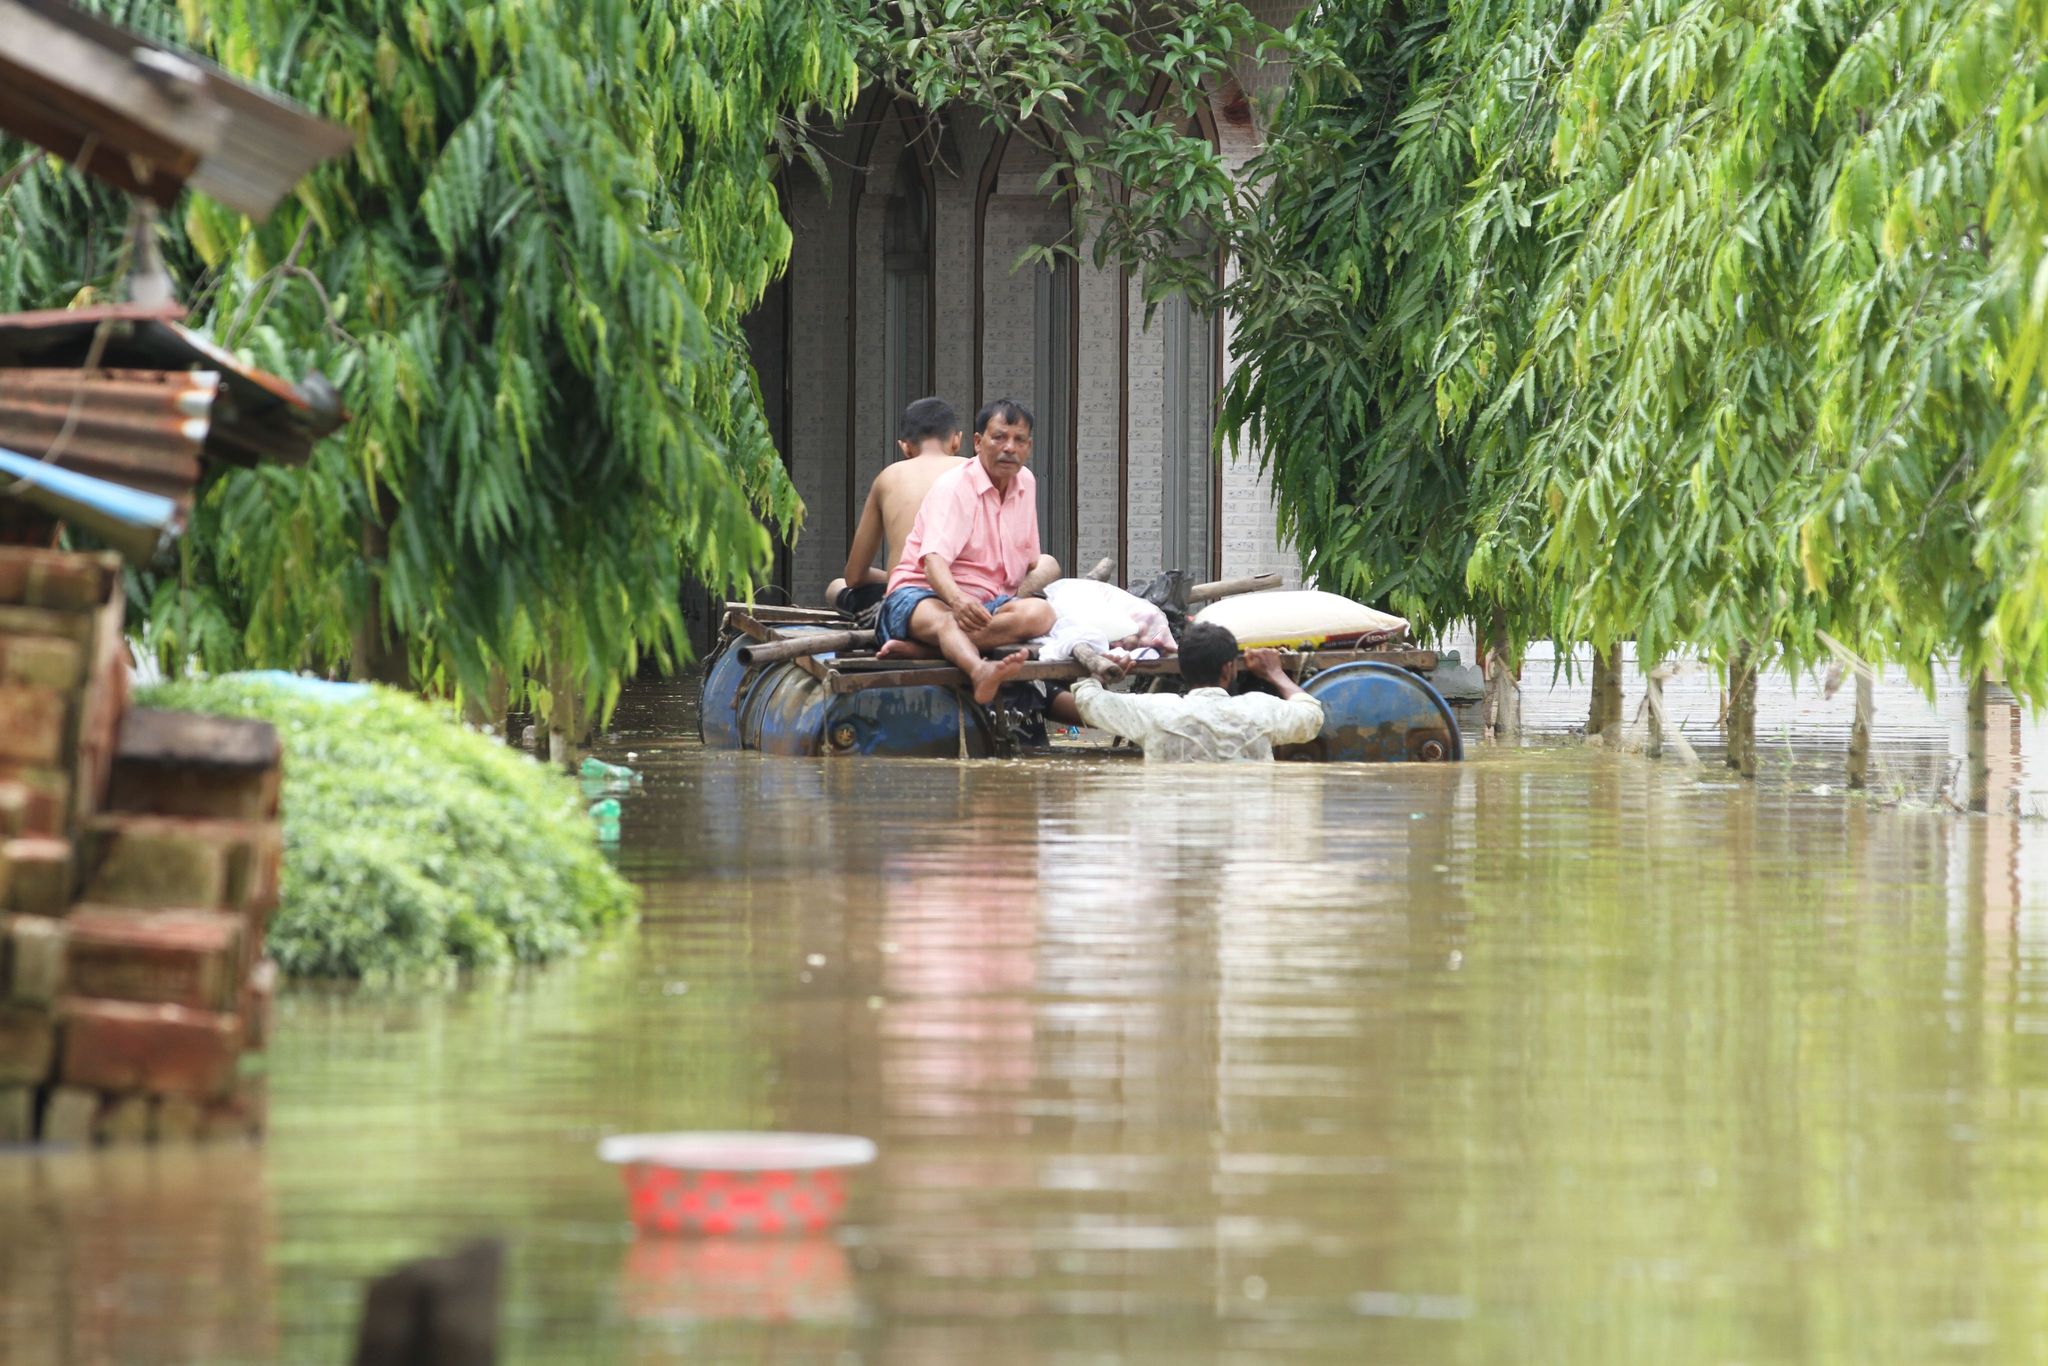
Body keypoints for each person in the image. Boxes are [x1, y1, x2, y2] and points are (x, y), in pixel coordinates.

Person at [873, 398, 1059, 701]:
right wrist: (957, 601)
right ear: (977, 442)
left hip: (987, 603)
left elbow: (1029, 561)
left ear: (1029, 446)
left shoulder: (1026, 481)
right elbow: (933, 562)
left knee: (1041, 613)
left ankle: (928, 649)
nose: (1009, 447)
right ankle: (978, 670)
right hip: (921, 594)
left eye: (1019, 440)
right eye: (999, 437)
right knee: (947, 620)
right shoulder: (955, 486)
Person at [1047, 621, 1325, 761]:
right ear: (1229, 669)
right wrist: (1275, 673)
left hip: (1174, 837)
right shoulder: (1261, 710)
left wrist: (1104, 669)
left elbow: (1088, 700)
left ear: (1182, 670)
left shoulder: (1154, 710)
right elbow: (1311, 716)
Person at [824, 398, 967, 618]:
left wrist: (897, 574)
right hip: (972, 596)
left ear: (905, 447)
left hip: (908, 602)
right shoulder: (975, 472)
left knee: (836, 586)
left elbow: (854, 576)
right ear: (957, 441)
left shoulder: (890, 476)